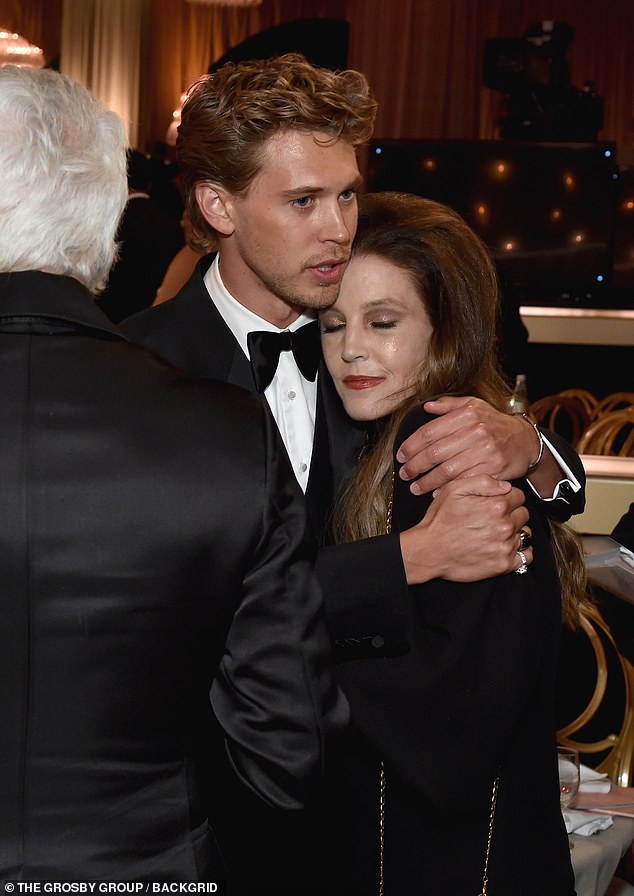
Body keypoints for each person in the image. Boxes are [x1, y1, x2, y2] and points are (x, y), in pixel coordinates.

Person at [120, 52, 587, 894]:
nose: (339, 226)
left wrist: (531, 448)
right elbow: (176, 622)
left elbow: (485, 414)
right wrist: (406, 561)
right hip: (208, 837)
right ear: (218, 205)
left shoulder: (376, 349)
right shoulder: (138, 371)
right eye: (303, 201)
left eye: (346, 192)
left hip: (385, 836)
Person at [0, 64, 347, 882]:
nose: (336, 226)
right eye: (305, 200)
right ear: (108, 213)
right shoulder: (220, 428)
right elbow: (289, 753)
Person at [318, 190, 589, 895]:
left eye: (383, 322)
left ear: (445, 332)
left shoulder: (440, 453)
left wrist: (279, 660)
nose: (351, 349)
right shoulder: (390, 437)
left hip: (458, 858)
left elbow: (456, 712)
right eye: (332, 324)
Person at [97, 148, 185, 323]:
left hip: (112, 324)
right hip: (157, 323)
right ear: (149, 184)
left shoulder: (110, 227)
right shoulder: (171, 225)